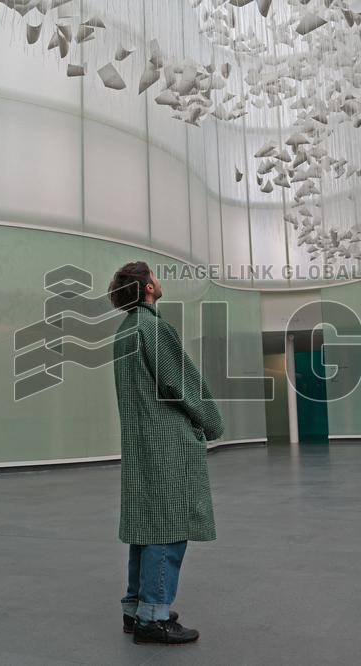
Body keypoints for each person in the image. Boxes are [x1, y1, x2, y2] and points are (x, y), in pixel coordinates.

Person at [109, 261, 224, 645]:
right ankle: (153, 618)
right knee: (169, 527)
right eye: (156, 276)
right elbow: (183, 384)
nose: (161, 281)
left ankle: (136, 607)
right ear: (147, 286)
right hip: (166, 443)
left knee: (145, 525)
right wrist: (211, 423)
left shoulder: (125, 331)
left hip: (140, 442)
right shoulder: (153, 327)